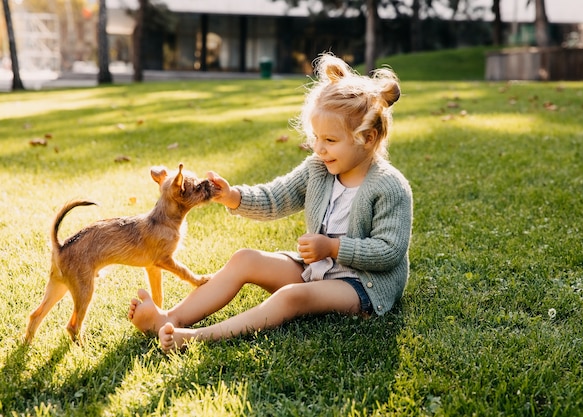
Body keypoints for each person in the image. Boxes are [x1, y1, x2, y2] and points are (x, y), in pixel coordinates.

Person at [128, 53, 413, 353]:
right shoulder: (318, 169)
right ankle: (167, 319)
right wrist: (232, 196)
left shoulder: (389, 186)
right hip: (317, 270)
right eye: (316, 137)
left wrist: (332, 248)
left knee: (291, 297)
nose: (318, 148)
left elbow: (390, 251)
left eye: (330, 140)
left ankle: (197, 338)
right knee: (245, 259)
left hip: (361, 286)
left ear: (367, 138)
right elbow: (276, 197)